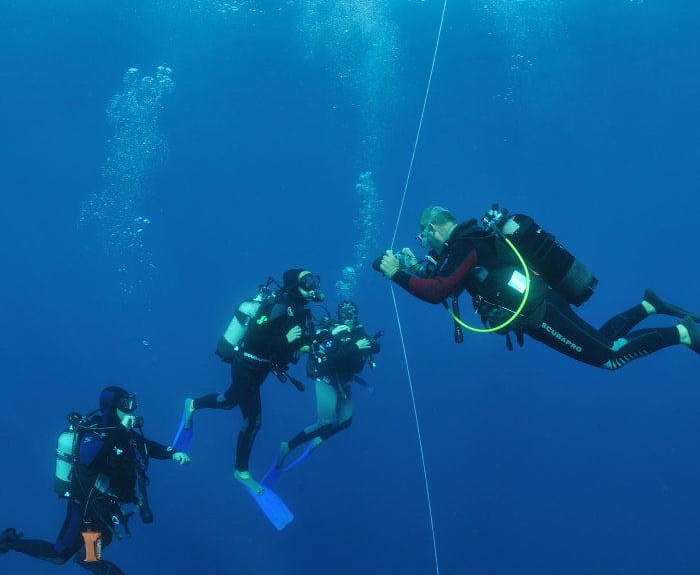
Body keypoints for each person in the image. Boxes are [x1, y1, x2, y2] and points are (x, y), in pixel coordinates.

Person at [377, 206, 700, 370]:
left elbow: (437, 292)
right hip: (538, 307)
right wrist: (415, 269)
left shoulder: (465, 243)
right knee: (604, 341)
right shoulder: (467, 242)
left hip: (540, 311)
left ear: (432, 227)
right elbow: (449, 282)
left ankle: (683, 333)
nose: (424, 245)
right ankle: (649, 305)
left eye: (422, 238)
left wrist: (395, 273)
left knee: (610, 357)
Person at [0, 386, 190, 575]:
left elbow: (147, 446)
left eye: (132, 404)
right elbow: (89, 459)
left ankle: (88, 558)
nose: (131, 410)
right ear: (111, 408)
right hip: (83, 510)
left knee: (102, 538)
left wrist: (173, 453)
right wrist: (120, 430)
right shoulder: (94, 434)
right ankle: (11, 542)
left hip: (105, 510)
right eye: (125, 405)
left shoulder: (125, 434)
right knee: (58, 555)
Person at [183, 269, 322, 494]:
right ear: (293, 286)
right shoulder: (279, 307)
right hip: (246, 366)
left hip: (261, 368)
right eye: (306, 281)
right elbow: (255, 338)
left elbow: (288, 339)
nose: (312, 285)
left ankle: (193, 404)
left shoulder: (298, 311)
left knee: (228, 401)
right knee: (253, 421)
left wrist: (302, 343)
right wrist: (285, 340)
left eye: (314, 280)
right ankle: (241, 471)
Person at [278, 300, 381, 466]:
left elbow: (376, 348)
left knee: (345, 421)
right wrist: (356, 347)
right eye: (345, 314)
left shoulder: (359, 332)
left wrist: (371, 344)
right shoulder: (331, 332)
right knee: (324, 424)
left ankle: (320, 438)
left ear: (356, 315)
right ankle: (288, 447)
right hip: (327, 382)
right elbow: (333, 361)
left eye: (352, 314)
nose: (349, 318)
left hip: (345, 383)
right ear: (339, 315)